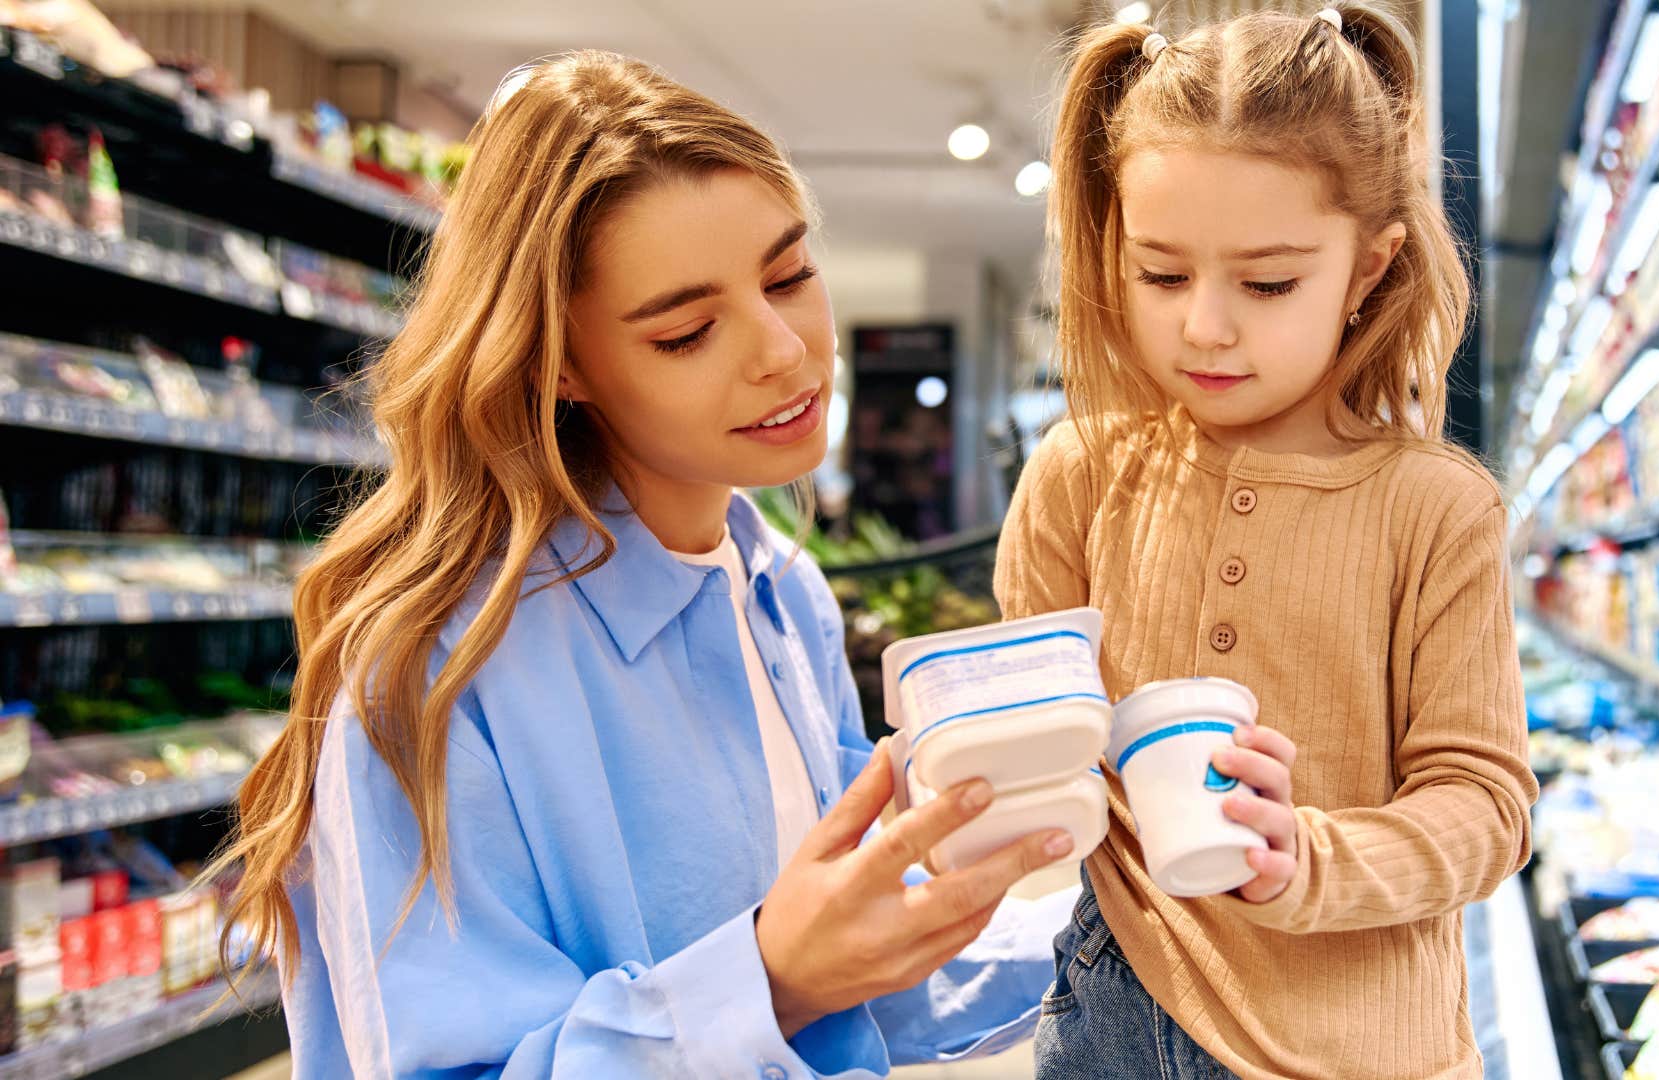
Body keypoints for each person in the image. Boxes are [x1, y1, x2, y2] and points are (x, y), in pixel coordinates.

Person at [211, 52, 1071, 1078]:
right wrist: (770, 979)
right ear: (561, 364)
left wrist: (1133, 906)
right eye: (686, 331)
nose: (784, 351)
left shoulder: (782, 594)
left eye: (790, 276)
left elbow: (864, 981)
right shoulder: (427, 675)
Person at [996, 6, 1538, 1077]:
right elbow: (1036, 729)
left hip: (1367, 1045)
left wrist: (1316, 856)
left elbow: (1486, 805)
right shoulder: (1082, 473)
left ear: (1371, 267)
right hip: (1118, 1005)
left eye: (1269, 282)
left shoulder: (1435, 509)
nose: (1204, 324)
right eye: (1161, 273)